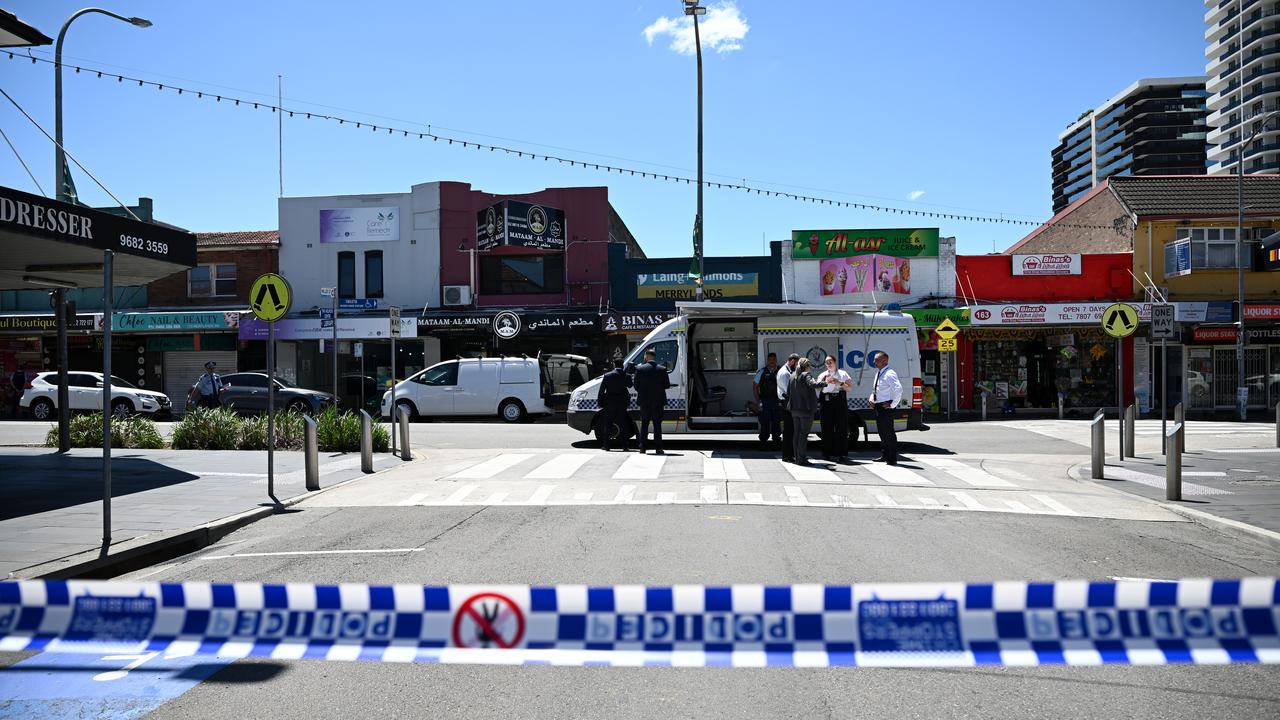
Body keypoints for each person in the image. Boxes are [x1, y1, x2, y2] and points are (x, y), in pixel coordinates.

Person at [633, 348, 670, 454]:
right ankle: (658, 448)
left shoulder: (640, 369)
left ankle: (642, 447)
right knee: (657, 424)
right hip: (658, 401)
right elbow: (666, 385)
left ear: (646, 356)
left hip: (644, 401)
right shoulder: (662, 369)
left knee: (644, 424)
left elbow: (636, 386)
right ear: (654, 357)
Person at [817, 355, 853, 463]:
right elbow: (817, 389)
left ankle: (841, 453)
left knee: (841, 428)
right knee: (826, 428)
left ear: (835, 362)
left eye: (830, 362)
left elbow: (849, 388)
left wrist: (839, 382)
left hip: (839, 401)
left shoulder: (843, 373)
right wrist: (824, 382)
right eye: (826, 362)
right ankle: (826, 453)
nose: (828, 364)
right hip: (826, 401)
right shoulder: (822, 375)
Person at [869, 351, 903, 465]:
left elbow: (898, 389)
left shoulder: (889, 373)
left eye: (877, 360)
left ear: (885, 361)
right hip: (878, 406)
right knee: (882, 432)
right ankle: (885, 455)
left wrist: (892, 405)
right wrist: (871, 398)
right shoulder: (879, 373)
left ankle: (892, 458)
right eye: (874, 359)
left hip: (885, 407)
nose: (874, 362)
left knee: (888, 433)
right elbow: (875, 389)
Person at [787, 357, 821, 465]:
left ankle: (797, 458)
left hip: (794, 410)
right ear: (807, 366)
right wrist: (824, 383)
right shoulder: (806, 375)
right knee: (803, 434)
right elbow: (812, 384)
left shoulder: (792, 376)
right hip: (806, 410)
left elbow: (788, 392)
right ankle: (801, 459)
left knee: (796, 434)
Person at [597, 359, 632, 452]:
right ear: (623, 365)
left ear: (613, 364)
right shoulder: (626, 375)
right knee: (623, 424)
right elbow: (630, 385)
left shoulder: (608, 376)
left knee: (608, 424)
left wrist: (600, 403)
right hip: (622, 403)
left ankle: (607, 446)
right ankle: (625, 446)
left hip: (610, 403)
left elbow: (601, 391)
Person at [753, 353, 781, 449]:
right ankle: (763, 442)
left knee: (776, 422)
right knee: (765, 422)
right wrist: (758, 401)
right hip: (765, 400)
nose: (772, 361)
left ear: (776, 360)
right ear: (767, 360)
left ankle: (776, 442)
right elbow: (755, 386)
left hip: (777, 401)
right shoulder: (762, 372)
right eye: (770, 359)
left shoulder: (781, 371)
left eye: (774, 359)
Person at [776, 353, 801, 462]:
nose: (797, 366)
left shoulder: (787, 371)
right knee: (789, 430)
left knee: (791, 430)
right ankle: (787, 455)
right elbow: (789, 390)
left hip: (787, 402)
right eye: (796, 363)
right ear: (791, 361)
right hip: (786, 403)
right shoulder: (785, 373)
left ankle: (790, 454)